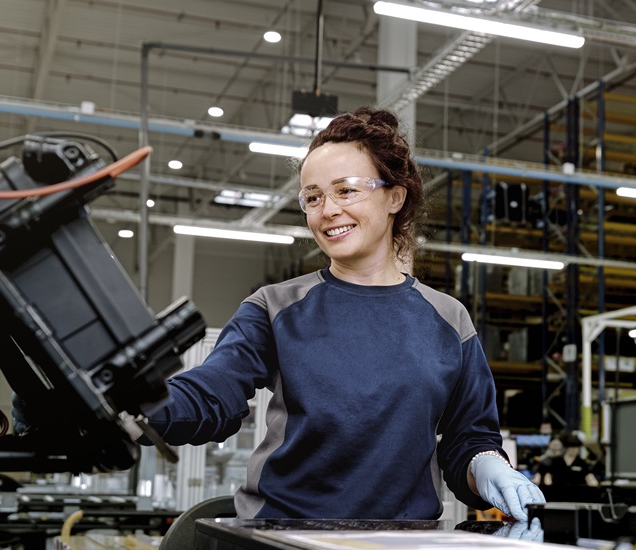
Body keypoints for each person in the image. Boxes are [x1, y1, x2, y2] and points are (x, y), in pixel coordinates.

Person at [139, 107, 545, 521]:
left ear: (394, 196)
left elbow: (468, 436)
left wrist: (487, 465)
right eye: (312, 197)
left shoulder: (448, 319)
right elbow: (214, 394)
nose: (327, 209)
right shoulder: (275, 307)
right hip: (283, 542)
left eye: (346, 190)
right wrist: (141, 407)